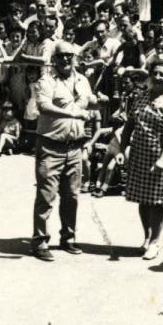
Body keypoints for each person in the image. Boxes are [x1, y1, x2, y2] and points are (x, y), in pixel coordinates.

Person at [30, 41, 105, 261]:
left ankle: (68, 238)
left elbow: (88, 103)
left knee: (72, 196)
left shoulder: (82, 81)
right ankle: (40, 241)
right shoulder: (46, 81)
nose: (66, 60)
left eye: (69, 56)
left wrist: (99, 103)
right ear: (54, 60)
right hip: (50, 146)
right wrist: (72, 114)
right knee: (46, 195)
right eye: (61, 56)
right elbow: (44, 107)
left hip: (75, 146)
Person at [118, 61, 163, 260]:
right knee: (142, 199)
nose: (157, 77)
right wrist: (122, 149)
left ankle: (155, 241)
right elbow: (129, 125)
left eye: (162, 74)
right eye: (154, 73)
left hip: (158, 157)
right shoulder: (142, 97)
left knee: (156, 201)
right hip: (139, 155)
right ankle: (146, 237)